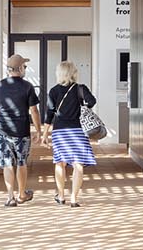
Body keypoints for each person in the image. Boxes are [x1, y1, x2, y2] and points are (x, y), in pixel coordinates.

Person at [40, 60, 98, 207]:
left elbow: (49, 114)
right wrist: (82, 106)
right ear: (73, 73)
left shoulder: (53, 91)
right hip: (78, 131)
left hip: (59, 132)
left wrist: (45, 135)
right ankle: (74, 198)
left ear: (59, 73)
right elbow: (92, 101)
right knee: (78, 165)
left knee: (60, 163)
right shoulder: (80, 88)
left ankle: (60, 196)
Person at [0, 54, 41, 207]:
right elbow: (34, 111)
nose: (25, 69)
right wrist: (38, 131)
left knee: (7, 164)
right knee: (22, 162)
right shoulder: (27, 86)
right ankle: (22, 194)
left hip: (3, 132)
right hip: (21, 132)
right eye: (24, 66)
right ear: (19, 69)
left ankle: (10, 197)